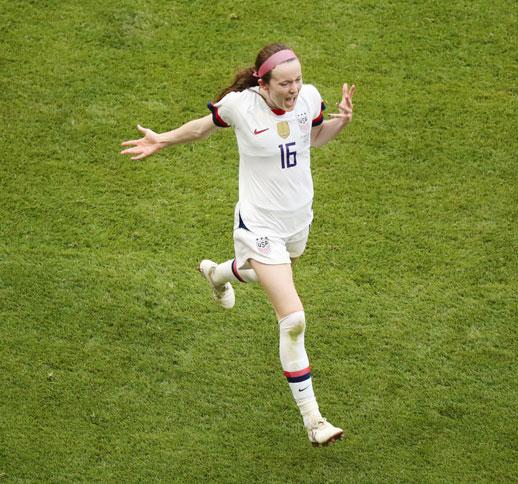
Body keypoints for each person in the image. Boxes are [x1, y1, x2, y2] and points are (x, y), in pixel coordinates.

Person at [120, 43, 355, 447]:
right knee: (293, 319)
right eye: (284, 83)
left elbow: (312, 138)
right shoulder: (240, 106)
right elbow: (201, 127)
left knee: (267, 269)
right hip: (258, 224)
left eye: (297, 80)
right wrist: (162, 140)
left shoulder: (310, 98)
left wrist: (341, 122)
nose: (294, 89)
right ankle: (314, 421)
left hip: (297, 221)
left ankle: (216, 273)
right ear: (263, 82)